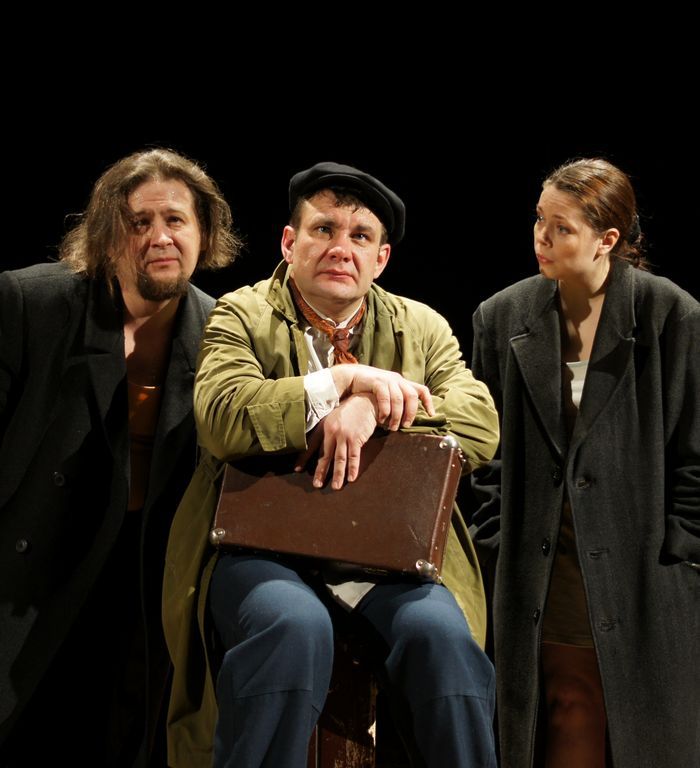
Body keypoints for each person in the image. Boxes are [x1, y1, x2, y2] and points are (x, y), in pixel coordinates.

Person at [162, 161, 500, 768]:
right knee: (291, 627)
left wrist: (371, 407)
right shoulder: (241, 313)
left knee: (445, 644)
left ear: (381, 259)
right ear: (289, 242)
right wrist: (336, 385)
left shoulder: (421, 327)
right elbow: (222, 415)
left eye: (360, 236)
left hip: (389, 558)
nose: (341, 248)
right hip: (263, 551)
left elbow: (478, 422)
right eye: (323, 230)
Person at [0, 147, 241, 766]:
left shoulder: (221, 332)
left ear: (204, 234)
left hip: (143, 576)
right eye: (139, 222)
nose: (160, 237)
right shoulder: (31, 302)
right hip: (33, 566)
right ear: (108, 237)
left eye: (176, 220)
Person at [469, 157, 699, 768]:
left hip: (640, 566)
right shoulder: (501, 317)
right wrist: (495, 543)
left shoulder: (670, 316)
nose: (541, 237)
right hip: (540, 563)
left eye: (562, 227)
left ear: (607, 240)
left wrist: (680, 555)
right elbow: (483, 455)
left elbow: (694, 456)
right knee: (559, 717)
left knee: (629, 729)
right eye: (539, 220)